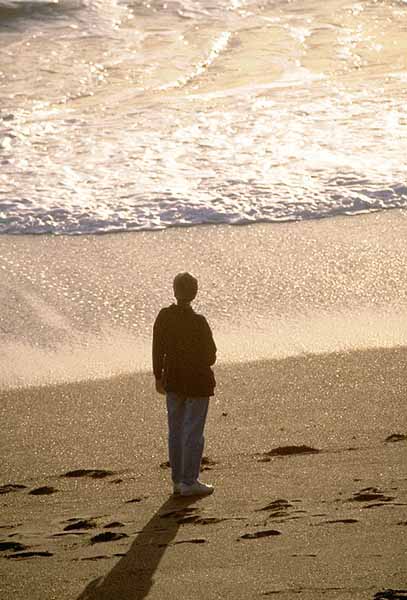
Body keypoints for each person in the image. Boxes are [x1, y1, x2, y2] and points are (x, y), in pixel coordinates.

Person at [153, 272, 217, 497]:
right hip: (197, 381)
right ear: (195, 293)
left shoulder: (164, 316)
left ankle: (178, 480)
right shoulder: (199, 321)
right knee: (193, 431)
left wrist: (158, 376)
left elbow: (157, 349)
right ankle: (189, 480)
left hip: (173, 379)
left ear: (174, 290)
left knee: (176, 430)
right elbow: (211, 356)